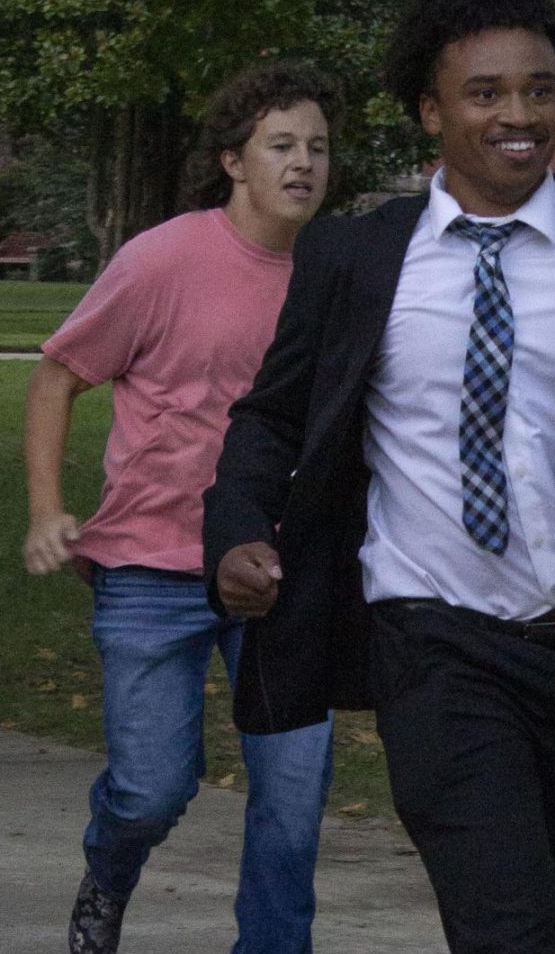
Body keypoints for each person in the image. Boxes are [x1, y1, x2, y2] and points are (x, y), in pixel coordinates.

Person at [203, 0, 555, 954]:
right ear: (430, 109)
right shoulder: (359, 259)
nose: (520, 115)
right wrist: (239, 531)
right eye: (487, 92)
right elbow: (269, 422)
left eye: (539, 90)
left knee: (538, 926)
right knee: (509, 933)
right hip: (434, 644)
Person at [22, 64, 342, 954]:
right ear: (236, 160)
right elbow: (59, 374)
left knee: (292, 797)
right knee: (151, 789)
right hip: (151, 564)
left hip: (281, 570)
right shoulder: (164, 258)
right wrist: (49, 508)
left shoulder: (337, 271)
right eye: (283, 145)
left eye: (318, 147)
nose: (304, 163)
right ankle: (109, 870)